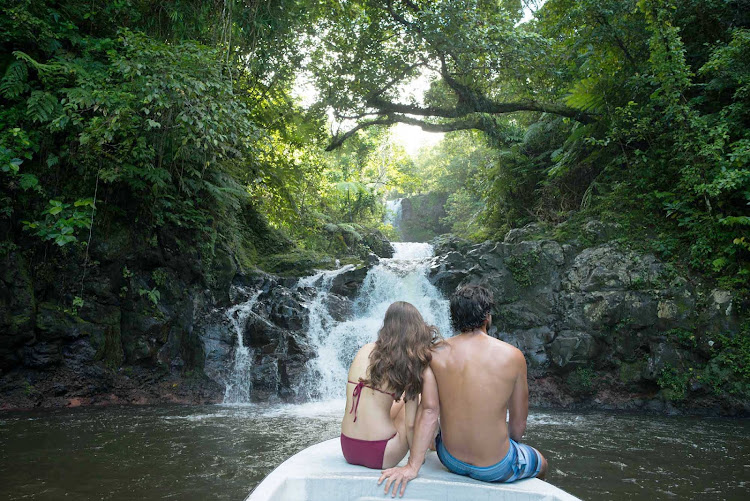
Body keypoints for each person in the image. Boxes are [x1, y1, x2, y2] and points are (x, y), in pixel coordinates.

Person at [378, 284, 548, 497]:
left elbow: (429, 412)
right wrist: (509, 444)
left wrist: (412, 466)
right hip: (496, 465)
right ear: (487, 316)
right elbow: (518, 424)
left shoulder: (434, 353)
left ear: (454, 317)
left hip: (450, 459)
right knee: (541, 462)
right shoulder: (513, 356)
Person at [341, 301, 440, 470]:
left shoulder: (365, 349)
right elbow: (410, 424)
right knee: (418, 400)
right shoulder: (408, 363)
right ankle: (431, 443)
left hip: (348, 448)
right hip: (381, 453)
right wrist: (415, 456)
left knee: (395, 402)